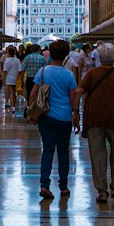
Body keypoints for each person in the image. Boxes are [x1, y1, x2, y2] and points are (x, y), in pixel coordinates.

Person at [75, 42, 114, 202]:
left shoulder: (92, 74)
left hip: (94, 118)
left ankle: (102, 192)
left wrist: (75, 112)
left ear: (99, 57)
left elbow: (78, 92)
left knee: (97, 154)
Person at [33, 38, 77, 201]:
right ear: (66, 55)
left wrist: (32, 113)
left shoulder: (43, 71)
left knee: (48, 150)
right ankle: (63, 186)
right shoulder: (69, 74)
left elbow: (33, 93)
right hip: (64, 118)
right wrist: (75, 114)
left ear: (50, 54)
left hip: (45, 116)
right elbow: (73, 97)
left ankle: (44, 185)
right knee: (64, 151)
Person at [22, 43, 45, 109]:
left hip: (29, 78)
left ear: (32, 50)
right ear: (39, 50)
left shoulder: (27, 57)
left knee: (29, 94)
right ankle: (36, 109)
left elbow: (23, 69)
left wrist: (22, 80)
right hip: (39, 80)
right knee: (38, 95)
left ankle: (29, 108)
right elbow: (45, 70)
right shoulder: (42, 58)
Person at [1, 45, 22, 115]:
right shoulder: (17, 60)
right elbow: (20, 70)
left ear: (8, 52)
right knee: (14, 93)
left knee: (11, 93)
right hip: (16, 79)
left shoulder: (7, 61)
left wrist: (3, 79)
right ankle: (13, 105)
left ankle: (13, 107)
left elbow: (5, 71)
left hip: (9, 79)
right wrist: (21, 79)